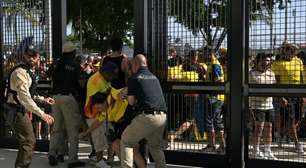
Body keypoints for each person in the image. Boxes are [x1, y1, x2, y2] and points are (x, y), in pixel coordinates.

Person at [5, 46, 55, 168]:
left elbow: (27, 94)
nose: (35, 60)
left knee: (27, 141)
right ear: (26, 57)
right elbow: (25, 98)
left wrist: (42, 99)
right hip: (16, 111)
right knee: (28, 141)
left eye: (36, 57)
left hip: (19, 110)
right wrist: (42, 114)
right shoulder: (19, 73)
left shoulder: (26, 71)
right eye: (33, 57)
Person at [121, 54, 167, 168]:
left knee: (126, 141)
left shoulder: (134, 78)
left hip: (148, 117)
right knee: (155, 146)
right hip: (162, 117)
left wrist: (125, 96)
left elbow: (131, 102)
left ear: (136, 64)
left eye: (131, 66)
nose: (131, 68)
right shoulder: (154, 77)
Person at [80, 89, 146, 168]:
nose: (98, 110)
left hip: (131, 122)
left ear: (104, 102)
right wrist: (86, 133)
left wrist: (122, 94)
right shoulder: (105, 111)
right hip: (123, 126)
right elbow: (98, 122)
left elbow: (123, 90)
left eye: (99, 107)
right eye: (96, 108)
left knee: (134, 150)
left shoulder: (112, 97)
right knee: (116, 145)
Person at [48, 41, 84, 167]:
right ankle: (73, 159)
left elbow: (48, 74)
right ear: (73, 52)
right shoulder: (75, 65)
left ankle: (53, 154)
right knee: (72, 129)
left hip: (55, 98)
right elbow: (81, 83)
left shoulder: (56, 62)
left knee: (57, 128)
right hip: (68, 98)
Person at [83, 62, 119, 167]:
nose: (113, 77)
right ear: (106, 72)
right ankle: (99, 161)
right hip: (93, 113)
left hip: (101, 112)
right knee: (98, 136)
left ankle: (99, 158)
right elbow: (96, 98)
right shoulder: (96, 80)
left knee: (102, 136)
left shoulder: (105, 79)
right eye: (112, 75)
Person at [272, 42, 305, 154]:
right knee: (290, 119)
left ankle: (282, 133)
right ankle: (297, 144)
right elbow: (277, 82)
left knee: (299, 117)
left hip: (298, 94)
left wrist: (303, 94)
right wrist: (281, 97)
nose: (290, 52)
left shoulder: (299, 61)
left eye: (292, 50)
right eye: (288, 50)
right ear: (283, 51)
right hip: (286, 94)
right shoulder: (277, 64)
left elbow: (301, 78)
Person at [249, 53, 277, 159]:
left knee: (269, 128)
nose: (266, 63)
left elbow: (273, 87)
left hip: (269, 104)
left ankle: (267, 150)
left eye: (268, 61)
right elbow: (260, 90)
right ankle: (256, 150)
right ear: (258, 61)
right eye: (264, 61)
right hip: (257, 105)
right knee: (258, 128)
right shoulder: (252, 73)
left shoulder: (271, 73)